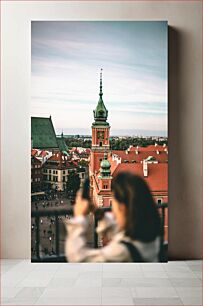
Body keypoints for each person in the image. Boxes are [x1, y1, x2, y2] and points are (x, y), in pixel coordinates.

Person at [65, 172, 161, 262]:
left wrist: (79, 217)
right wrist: (99, 214)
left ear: (122, 207)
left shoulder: (121, 251)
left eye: (113, 201)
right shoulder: (153, 236)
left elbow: (78, 259)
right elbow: (120, 233)